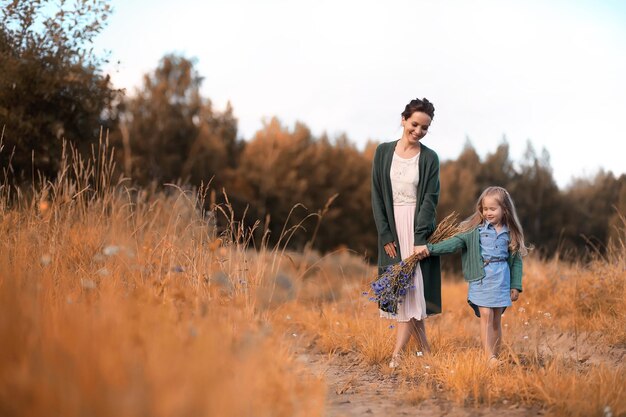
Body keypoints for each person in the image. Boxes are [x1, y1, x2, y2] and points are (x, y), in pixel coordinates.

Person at [415, 186, 529, 367]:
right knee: (486, 314)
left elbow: (516, 262)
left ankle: (495, 355)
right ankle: (489, 357)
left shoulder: (511, 234)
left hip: (501, 280)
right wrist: (430, 249)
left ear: (504, 209)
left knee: (496, 318)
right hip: (481, 277)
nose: (488, 212)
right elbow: (453, 244)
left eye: (493, 209)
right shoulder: (474, 231)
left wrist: (515, 286)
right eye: (485, 209)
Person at [371, 98, 441, 368]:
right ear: (403, 119)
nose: (419, 131)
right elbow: (377, 196)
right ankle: (425, 349)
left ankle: (397, 354)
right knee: (404, 290)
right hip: (392, 227)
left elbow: (430, 199)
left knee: (413, 290)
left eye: (425, 127)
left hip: (417, 227)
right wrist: (385, 234)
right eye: (415, 124)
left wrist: (420, 237)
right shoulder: (382, 152)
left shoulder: (430, 158)